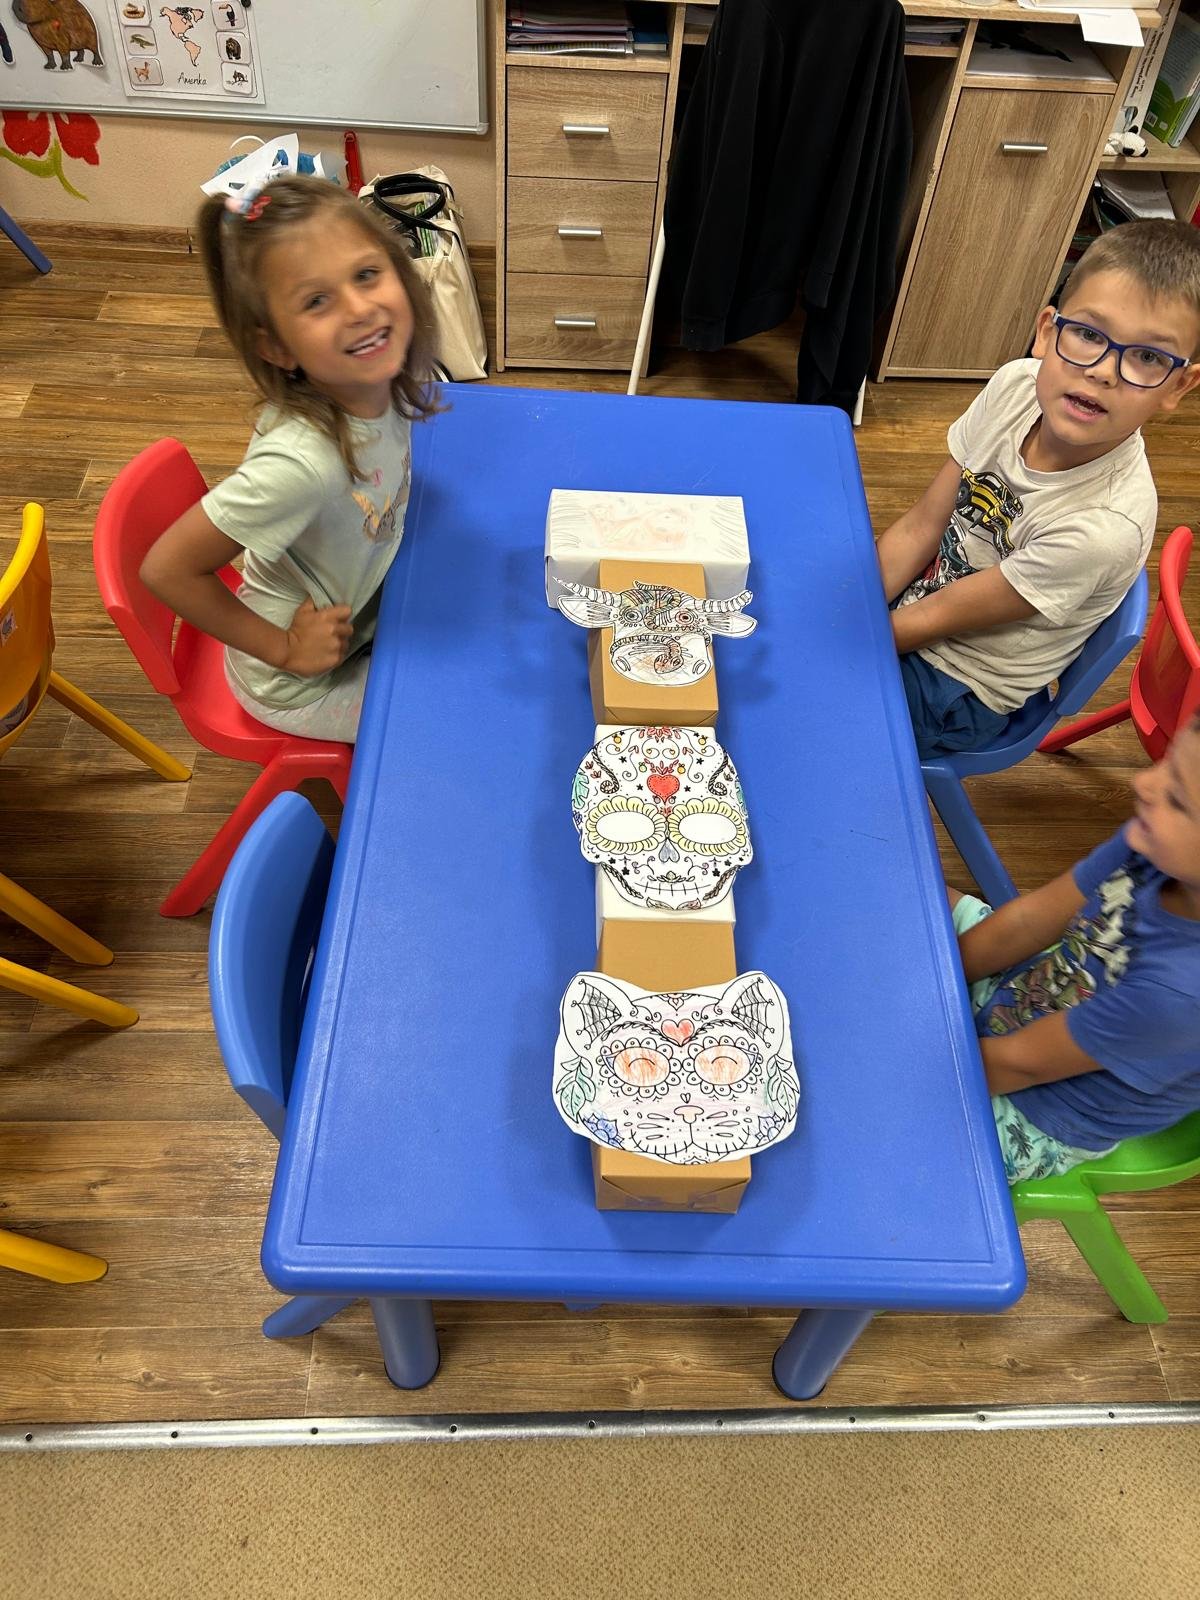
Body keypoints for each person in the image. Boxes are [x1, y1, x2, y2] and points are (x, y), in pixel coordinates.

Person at [876, 219, 1200, 759]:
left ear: (1179, 385)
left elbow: (938, 619)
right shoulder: (1015, 387)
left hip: (958, 685)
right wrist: (851, 604)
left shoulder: (1104, 526)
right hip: (921, 605)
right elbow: (920, 526)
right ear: (1047, 332)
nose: (1104, 372)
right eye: (1089, 335)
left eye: (1148, 357)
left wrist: (842, 639)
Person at [140, 175, 439, 743]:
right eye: (316, 301)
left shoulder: (372, 377)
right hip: (299, 682)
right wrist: (285, 649)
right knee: (443, 723)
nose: (360, 308)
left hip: (366, 610)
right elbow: (166, 569)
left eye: (366, 274)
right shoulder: (301, 466)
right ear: (276, 347)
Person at [952, 716, 1200, 1184]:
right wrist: (932, 980)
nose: (1143, 783)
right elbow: (1028, 921)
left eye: (1177, 799)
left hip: (1035, 1108)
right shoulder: (1153, 842)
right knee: (911, 902)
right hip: (1029, 994)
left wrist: (893, 1045)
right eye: (1168, 763)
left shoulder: (1181, 996)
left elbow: (1017, 1065)